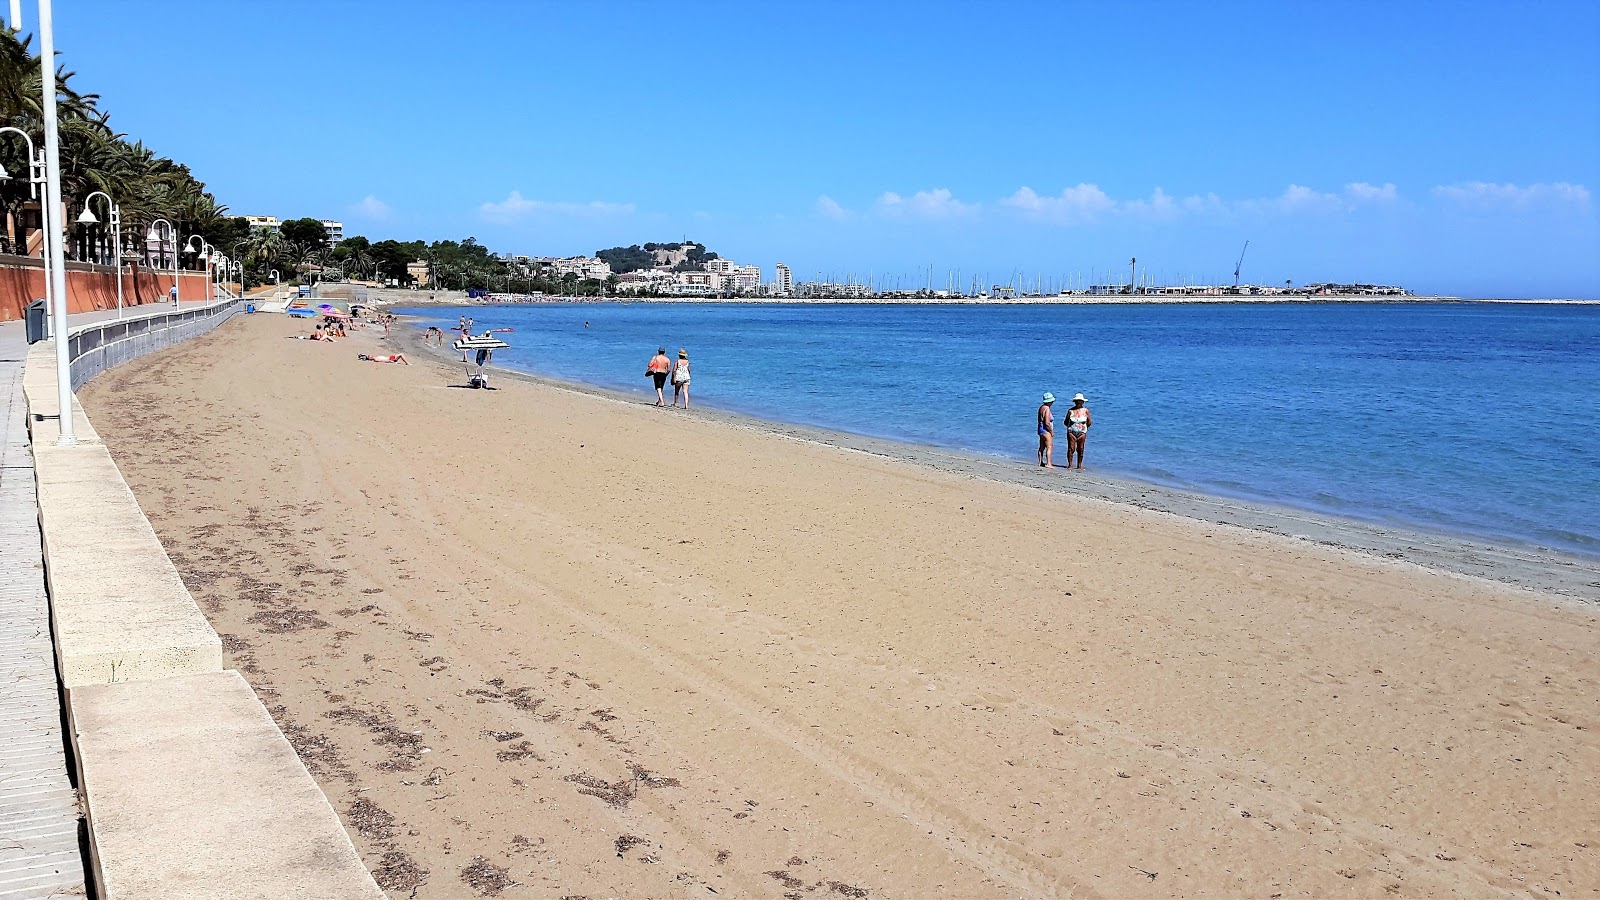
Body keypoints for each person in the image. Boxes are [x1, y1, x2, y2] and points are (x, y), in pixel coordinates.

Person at [1064, 393, 1092, 469]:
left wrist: (1083, 429)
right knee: (1071, 449)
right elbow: (1066, 422)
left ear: (1083, 402)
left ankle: (1079, 465)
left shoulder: (1086, 411)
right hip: (1071, 433)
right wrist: (1071, 428)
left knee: (1081, 449)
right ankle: (1070, 465)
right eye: (1077, 401)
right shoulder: (1070, 411)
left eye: (1080, 401)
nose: (1078, 402)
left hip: (1082, 433)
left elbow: (1089, 422)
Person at [1037, 392, 1056, 468]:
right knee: (1049, 446)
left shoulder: (1041, 408)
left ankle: (1040, 462)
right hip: (1045, 429)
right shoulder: (1047, 409)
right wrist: (1051, 432)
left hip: (1040, 428)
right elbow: (1047, 422)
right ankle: (1048, 463)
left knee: (1041, 446)